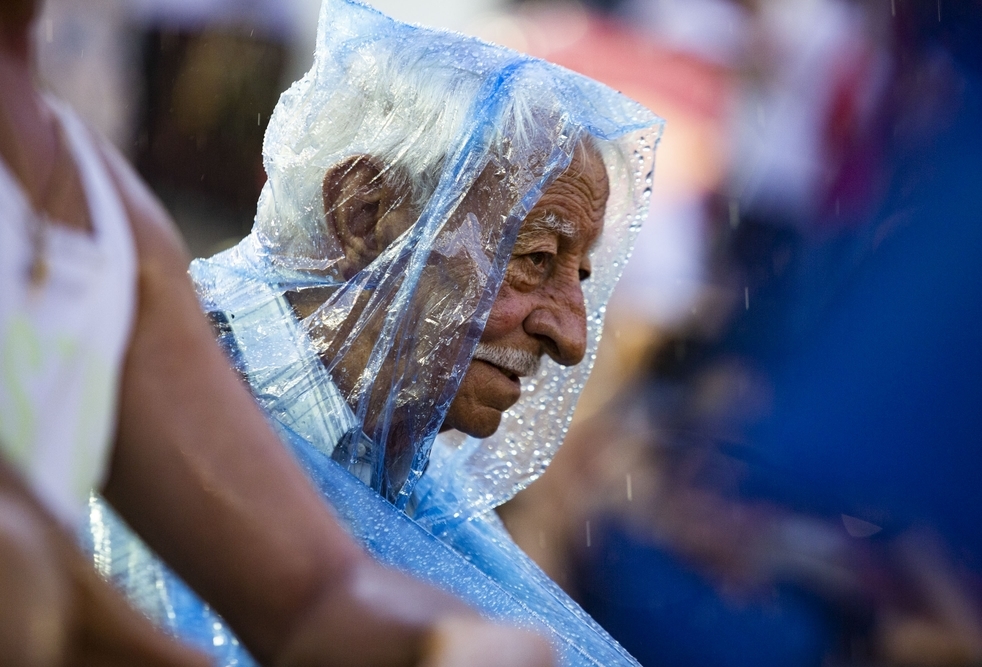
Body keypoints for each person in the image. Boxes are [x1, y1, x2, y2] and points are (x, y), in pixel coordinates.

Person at [89, 1, 663, 665]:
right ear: (365, 212)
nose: (572, 337)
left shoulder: (386, 450)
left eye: (580, 276)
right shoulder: (156, 401)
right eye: (533, 258)